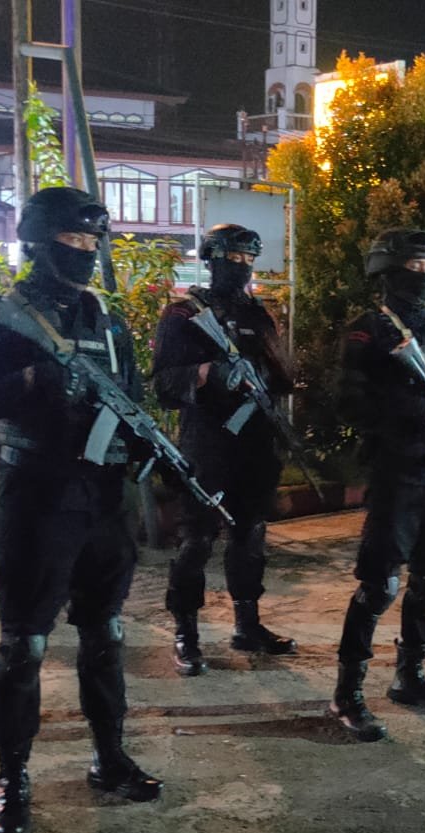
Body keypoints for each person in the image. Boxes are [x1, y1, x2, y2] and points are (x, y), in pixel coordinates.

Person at [0, 187, 160, 833]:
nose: (86, 252)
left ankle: (109, 756)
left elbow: (133, 395)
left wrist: (144, 442)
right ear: (37, 242)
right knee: (25, 645)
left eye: (94, 241)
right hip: (36, 495)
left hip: (103, 497)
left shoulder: (105, 320)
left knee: (106, 634)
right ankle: (12, 779)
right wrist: (27, 384)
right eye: (73, 239)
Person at [330, 228, 425, 742]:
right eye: (413, 266)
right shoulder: (367, 330)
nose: (423, 275)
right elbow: (349, 401)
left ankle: (410, 676)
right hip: (398, 470)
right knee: (380, 585)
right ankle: (347, 693)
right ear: (387, 270)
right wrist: (413, 411)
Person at [152, 223, 297, 677]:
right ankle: (186, 634)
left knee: (250, 534)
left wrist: (274, 376)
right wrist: (205, 374)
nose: (241, 267)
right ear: (212, 260)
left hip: (254, 440)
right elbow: (163, 384)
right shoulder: (183, 315)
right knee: (197, 539)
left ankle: (247, 624)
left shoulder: (258, 315)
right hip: (208, 439)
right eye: (232, 258)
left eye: (248, 259)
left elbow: (282, 376)